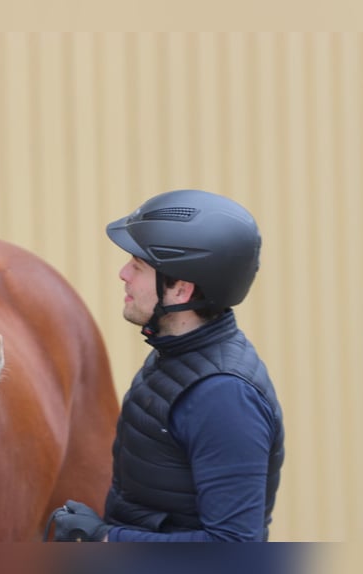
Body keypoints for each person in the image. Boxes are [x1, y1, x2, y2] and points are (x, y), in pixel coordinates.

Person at [52, 189, 284, 542]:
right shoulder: (175, 355)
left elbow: (235, 549)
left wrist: (105, 539)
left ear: (180, 289)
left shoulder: (224, 397)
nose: (123, 274)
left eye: (138, 266)